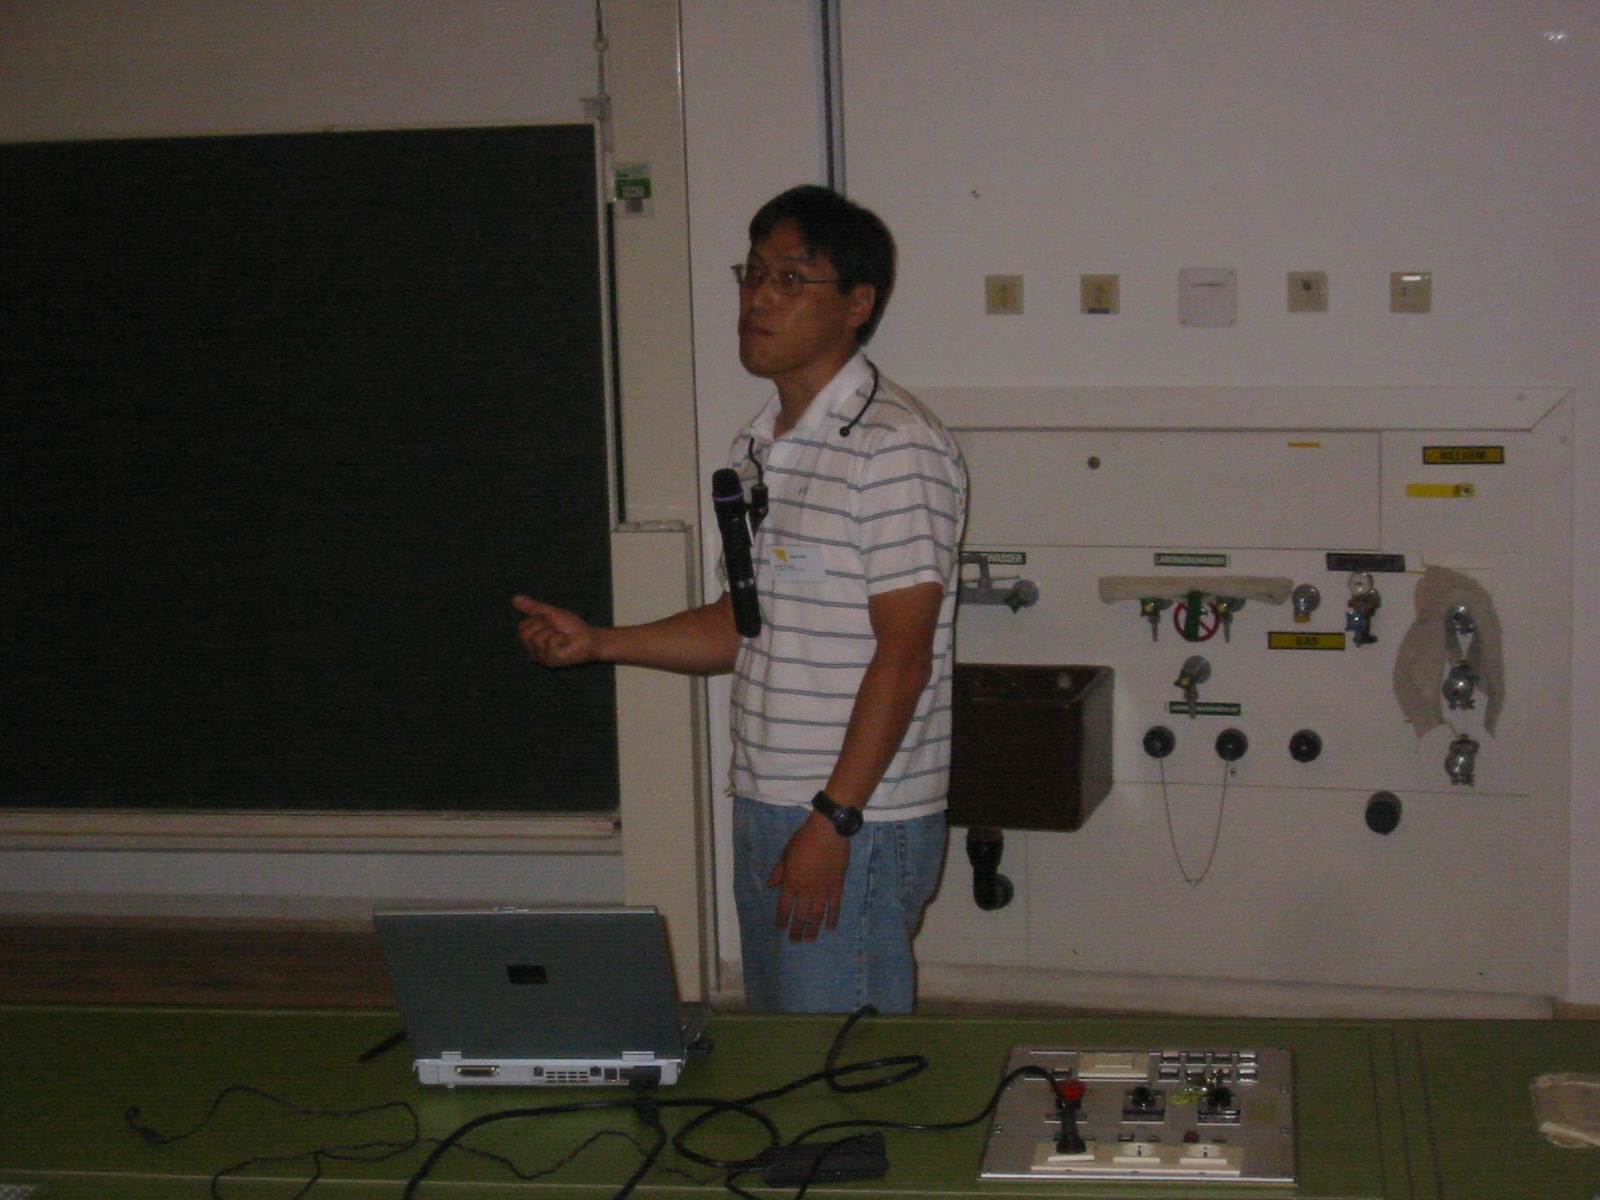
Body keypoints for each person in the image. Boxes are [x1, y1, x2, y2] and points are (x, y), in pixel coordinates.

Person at [514, 185, 966, 1013]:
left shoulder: (893, 445)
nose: (758, 298)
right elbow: (743, 625)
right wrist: (600, 642)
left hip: (854, 814)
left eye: (790, 280)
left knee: (836, 1056)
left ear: (857, 305)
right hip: (770, 795)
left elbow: (904, 656)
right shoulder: (761, 446)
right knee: (787, 1045)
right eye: (752, 273)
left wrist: (834, 819)